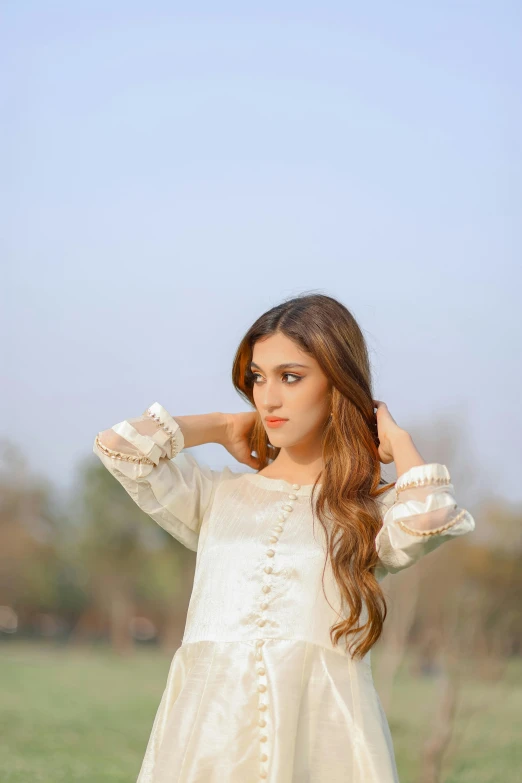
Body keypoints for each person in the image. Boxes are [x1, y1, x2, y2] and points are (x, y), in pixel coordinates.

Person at [93, 293, 475, 783]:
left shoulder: (368, 513)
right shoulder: (217, 497)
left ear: (336, 382)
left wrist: (397, 441)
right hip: (207, 740)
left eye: (290, 377)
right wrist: (220, 425)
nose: (267, 398)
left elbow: (431, 517)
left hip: (324, 743)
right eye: (257, 377)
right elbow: (121, 449)